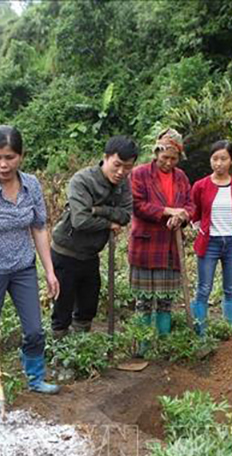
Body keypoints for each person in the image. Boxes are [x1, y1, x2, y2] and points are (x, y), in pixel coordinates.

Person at [0, 125, 60, 394]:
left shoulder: (31, 185)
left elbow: (39, 228)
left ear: (21, 156)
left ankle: (35, 377)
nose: (3, 164)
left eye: (9, 157)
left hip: (23, 268)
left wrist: (49, 271)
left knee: (34, 330)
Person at [50, 136, 137, 338]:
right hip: (66, 252)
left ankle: (81, 346)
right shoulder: (82, 180)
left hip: (90, 254)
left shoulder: (123, 184)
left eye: (127, 167)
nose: (121, 172)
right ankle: (59, 353)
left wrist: (98, 210)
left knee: (88, 306)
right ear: (105, 158)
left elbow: (125, 215)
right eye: (117, 165)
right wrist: (108, 223)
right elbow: (80, 220)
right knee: (63, 307)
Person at [128, 128, 195, 349]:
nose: (168, 162)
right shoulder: (139, 174)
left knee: (166, 300)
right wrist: (169, 211)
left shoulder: (181, 177)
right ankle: (143, 346)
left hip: (169, 245)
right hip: (146, 244)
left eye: (173, 158)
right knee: (144, 299)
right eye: (164, 157)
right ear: (156, 153)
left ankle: (164, 344)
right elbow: (138, 205)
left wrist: (182, 216)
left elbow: (190, 204)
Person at [190, 140, 232, 333]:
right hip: (210, 242)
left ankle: (228, 329)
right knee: (204, 288)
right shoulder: (200, 186)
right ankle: (200, 331)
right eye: (215, 159)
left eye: (223, 159)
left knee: (230, 289)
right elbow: (194, 211)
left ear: (231, 160)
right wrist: (200, 228)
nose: (219, 163)